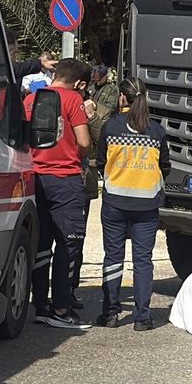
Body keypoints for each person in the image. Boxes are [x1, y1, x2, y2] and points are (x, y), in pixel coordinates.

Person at [23, 58, 94, 329]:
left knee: (41, 243)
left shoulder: (31, 99)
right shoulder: (73, 99)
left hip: (34, 178)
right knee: (68, 242)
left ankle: (40, 304)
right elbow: (85, 142)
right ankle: (61, 308)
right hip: (64, 179)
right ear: (80, 83)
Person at [96, 77, 171, 331]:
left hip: (115, 202)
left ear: (121, 98)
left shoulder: (111, 127)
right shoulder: (157, 131)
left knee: (113, 258)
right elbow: (165, 167)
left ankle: (111, 313)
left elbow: (99, 161)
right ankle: (142, 317)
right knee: (142, 261)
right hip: (146, 206)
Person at [69, 86, 116, 307]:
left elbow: (104, 143)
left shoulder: (102, 111)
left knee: (76, 238)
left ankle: (70, 289)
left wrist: (92, 117)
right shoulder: (49, 101)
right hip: (53, 176)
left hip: (83, 179)